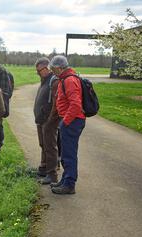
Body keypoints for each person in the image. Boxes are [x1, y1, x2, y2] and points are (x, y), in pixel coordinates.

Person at [49, 55, 86, 195]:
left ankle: (69, 185)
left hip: (72, 121)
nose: (52, 71)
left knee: (69, 154)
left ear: (60, 67)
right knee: (65, 153)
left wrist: (65, 122)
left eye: (53, 68)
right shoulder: (65, 79)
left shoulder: (69, 80)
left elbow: (76, 104)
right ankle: (65, 180)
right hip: (70, 120)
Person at [33, 57, 60, 185]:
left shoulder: (53, 81)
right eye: (37, 71)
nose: (39, 73)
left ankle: (52, 175)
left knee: (50, 147)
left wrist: (49, 119)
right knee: (43, 145)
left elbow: (55, 103)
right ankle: (43, 169)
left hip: (49, 120)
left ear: (47, 68)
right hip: (41, 119)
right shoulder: (44, 81)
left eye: (40, 70)